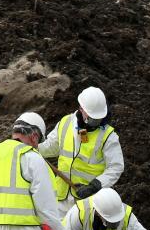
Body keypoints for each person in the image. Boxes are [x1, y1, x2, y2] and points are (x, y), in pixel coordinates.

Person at [39, 87, 124, 217]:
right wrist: (31, 146)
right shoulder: (66, 123)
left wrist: (95, 185)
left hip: (89, 201)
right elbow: (51, 147)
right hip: (62, 197)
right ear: (81, 108)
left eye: (98, 118)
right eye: (92, 118)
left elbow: (116, 167)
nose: (95, 122)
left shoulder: (108, 136)